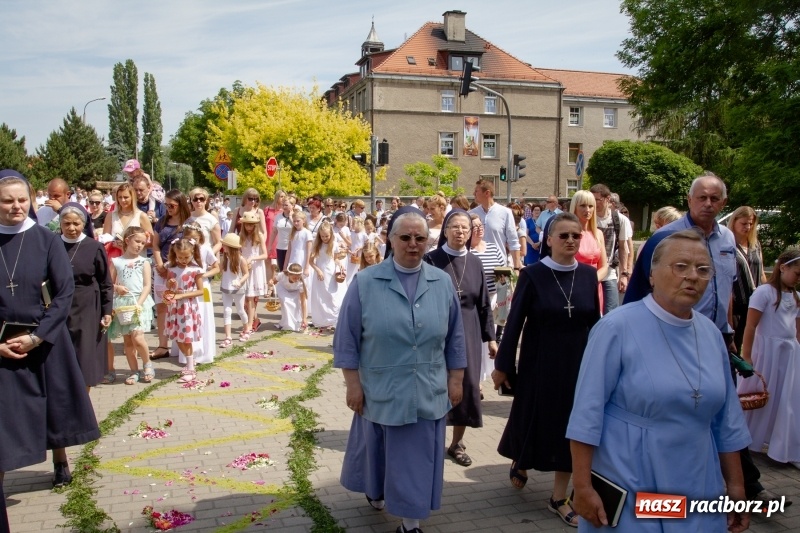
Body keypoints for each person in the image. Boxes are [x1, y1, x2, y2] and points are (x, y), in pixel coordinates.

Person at [567, 230, 751, 532]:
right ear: (652, 275)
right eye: (681, 266)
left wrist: (736, 486)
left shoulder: (710, 334)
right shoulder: (616, 327)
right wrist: (582, 485)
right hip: (633, 471)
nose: (693, 276)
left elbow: (727, 420)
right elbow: (587, 413)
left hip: (697, 475)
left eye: (703, 269)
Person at [625, 172, 785, 505]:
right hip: (670, 340)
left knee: (725, 410)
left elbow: (725, 289)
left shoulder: (727, 239)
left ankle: (745, 486)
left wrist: (728, 333)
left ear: (724, 203)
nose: (708, 204)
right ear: (689, 200)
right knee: (679, 408)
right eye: (702, 198)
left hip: (715, 341)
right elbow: (639, 290)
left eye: (715, 199)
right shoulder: (665, 238)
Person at [334, 206, 466, 533]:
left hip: (427, 389)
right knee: (378, 451)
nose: (413, 244)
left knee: (415, 460)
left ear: (428, 241)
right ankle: (376, 490)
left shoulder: (441, 282)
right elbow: (346, 339)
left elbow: (455, 336)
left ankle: (410, 522)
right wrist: (353, 385)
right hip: (381, 388)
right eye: (405, 237)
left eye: (420, 238)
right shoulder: (365, 282)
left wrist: (456, 379)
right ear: (390, 239)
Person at [492, 212, 600, 528]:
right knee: (532, 417)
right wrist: (503, 366)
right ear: (549, 240)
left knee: (570, 427)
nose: (570, 240)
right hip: (539, 362)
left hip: (578, 364)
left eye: (576, 235)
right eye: (563, 235)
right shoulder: (533, 275)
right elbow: (514, 322)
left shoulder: (588, 275)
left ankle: (558, 497)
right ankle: (521, 459)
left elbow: (595, 323)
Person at [0, 170, 100, 494]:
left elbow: (64, 291)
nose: (16, 206)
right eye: (7, 201)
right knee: (5, 414)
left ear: (30, 201)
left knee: (56, 403)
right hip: (4, 344)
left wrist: (38, 335)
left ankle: (60, 459)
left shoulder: (47, 240)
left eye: (21, 199)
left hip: (45, 338)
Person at [424, 210, 496, 468]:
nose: (460, 231)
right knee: (435, 385)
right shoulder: (431, 260)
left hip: (468, 330)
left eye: (465, 227)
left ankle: (457, 443)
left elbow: (484, 304)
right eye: (455, 226)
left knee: (466, 386)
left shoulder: (475, 262)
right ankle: (430, 441)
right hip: (437, 330)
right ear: (445, 230)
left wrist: (491, 339)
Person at [738, 249, 800, 466]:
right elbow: (750, 326)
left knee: (787, 399)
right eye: (797, 273)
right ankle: (747, 439)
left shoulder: (796, 297)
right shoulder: (764, 293)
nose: (798, 279)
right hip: (767, 353)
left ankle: (783, 446)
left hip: (789, 355)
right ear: (783, 267)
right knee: (760, 396)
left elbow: (797, 330)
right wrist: (747, 356)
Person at [59, 203, 113, 388]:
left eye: (76, 223)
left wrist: (107, 311)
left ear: (84, 224)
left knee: (84, 355)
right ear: (60, 224)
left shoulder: (94, 247)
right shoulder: (53, 244)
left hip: (87, 304)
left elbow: (105, 282)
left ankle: (83, 396)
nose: (71, 228)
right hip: (60, 303)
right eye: (67, 223)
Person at [108, 227, 156, 385]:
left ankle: (147, 364)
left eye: (143, 243)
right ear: (127, 240)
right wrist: (117, 288)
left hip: (139, 302)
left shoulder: (144, 262)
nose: (140, 245)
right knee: (128, 341)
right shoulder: (117, 262)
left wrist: (139, 304)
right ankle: (134, 371)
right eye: (137, 241)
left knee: (138, 337)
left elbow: (147, 285)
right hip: (123, 304)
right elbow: (109, 283)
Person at [150, 190, 191, 360]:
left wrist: (174, 269)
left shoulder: (188, 224)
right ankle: (162, 345)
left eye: (172, 205)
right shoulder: (162, 222)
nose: (168, 208)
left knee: (178, 307)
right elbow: (155, 245)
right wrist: (160, 264)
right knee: (162, 306)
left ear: (181, 204)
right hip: (162, 270)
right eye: (166, 205)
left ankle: (182, 345)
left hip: (179, 271)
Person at [163, 238, 205, 382]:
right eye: (180, 257)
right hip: (175, 307)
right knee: (177, 337)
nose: (183, 260)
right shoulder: (171, 268)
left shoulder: (195, 270)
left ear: (192, 253)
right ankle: (190, 363)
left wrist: (182, 295)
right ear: (175, 254)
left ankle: (191, 368)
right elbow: (168, 286)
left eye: (186, 257)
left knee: (186, 338)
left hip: (187, 307)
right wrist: (170, 283)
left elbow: (201, 291)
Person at [178, 224, 219, 365]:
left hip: (203, 287)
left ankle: (204, 351)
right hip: (187, 286)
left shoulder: (205, 249)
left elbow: (216, 267)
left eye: (195, 238)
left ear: (200, 237)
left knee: (203, 314)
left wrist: (202, 275)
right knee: (188, 316)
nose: (192, 241)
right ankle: (190, 353)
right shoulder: (183, 250)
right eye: (189, 238)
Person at [728, 206, 767, 351]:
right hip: (736, 303)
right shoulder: (728, 244)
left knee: (755, 344)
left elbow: (761, 272)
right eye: (744, 223)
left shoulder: (755, 244)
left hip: (756, 302)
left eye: (750, 224)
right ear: (734, 222)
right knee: (735, 344)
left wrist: (769, 293)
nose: (748, 227)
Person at [590, 184, 632, 313]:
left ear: (608, 199)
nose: (594, 203)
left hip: (609, 272)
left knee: (611, 311)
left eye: (597, 200)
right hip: (590, 271)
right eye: (592, 200)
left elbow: (624, 248)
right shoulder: (588, 217)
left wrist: (624, 274)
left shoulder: (620, 220)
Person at [470, 180, 522, 270]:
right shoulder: (471, 214)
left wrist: (516, 268)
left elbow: (513, 242)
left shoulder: (505, 213)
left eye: (476, 191)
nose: (473, 194)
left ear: (487, 193)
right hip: (475, 265)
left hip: (498, 267)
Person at [570, 190, 608, 311]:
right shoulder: (568, 234)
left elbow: (604, 266)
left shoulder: (598, 234)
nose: (587, 210)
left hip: (594, 288)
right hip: (573, 287)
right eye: (582, 205)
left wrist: (592, 280)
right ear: (574, 207)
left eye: (591, 206)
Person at [309, 220, 346, 329]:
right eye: (322, 236)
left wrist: (340, 264)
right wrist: (318, 270)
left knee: (332, 295)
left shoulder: (334, 244)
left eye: (326, 236)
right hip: (321, 272)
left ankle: (333, 319)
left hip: (331, 272)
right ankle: (322, 319)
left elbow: (335, 259)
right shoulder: (317, 245)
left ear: (331, 234)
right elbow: (311, 261)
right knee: (321, 295)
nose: (324, 238)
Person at [102, 183, 154, 258]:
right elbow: (105, 239)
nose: (122, 200)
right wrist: (113, 243)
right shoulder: (110, 216)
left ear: (132, 197)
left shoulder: (141, 216)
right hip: (116, 259)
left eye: (126, 197)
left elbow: (152, 242)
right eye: (120, 197)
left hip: (136, 260)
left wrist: (131, 245)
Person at [217, 233, 250, 348]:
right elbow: (219, 269)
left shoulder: (241, 259)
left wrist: (240, 282)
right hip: (226, 288)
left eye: (225, 245)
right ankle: (228, 337)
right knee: (227, 311)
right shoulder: (225, 258)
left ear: (231, 247)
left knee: (240, 310)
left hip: (238, 289)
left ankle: (246, 330)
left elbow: (246, 274)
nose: (223, 247)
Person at [239, 212, 268, 340]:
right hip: (244, 267)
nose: (249, 227)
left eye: (251, 225)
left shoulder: (259, 236)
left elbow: (265, 255)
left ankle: (249, 325)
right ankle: (255, 320)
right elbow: (239, 251)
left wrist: (253, 258)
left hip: (255, 267)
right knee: (244, 299)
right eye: (247, 225)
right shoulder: (241, 236)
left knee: (250, 297)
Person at [272, 263, 308, 332]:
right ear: (288, 274)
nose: (296, 280)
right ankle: (287, 323)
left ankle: (297, 321)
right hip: (283, 289)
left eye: (298, 277)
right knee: (286, 302)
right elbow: (274, 281)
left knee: (296, 303)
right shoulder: (282, 275)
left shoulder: (301, 283)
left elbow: (303, 302)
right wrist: (271, 283)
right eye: (294, 278)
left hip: (295, 290)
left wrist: (304, 318)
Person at [187, 187, 222, 255]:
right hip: (188, 257)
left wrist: (209, 255)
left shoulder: (211, 219)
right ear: (191, 201)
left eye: (201, 199)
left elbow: (218, 242)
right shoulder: (187, 217)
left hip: (205, 257)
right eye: (195, 199)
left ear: (206, 201)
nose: (198, 201)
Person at [267, 197, 293, 273]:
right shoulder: (278, 216)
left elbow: (298, 228)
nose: (284, 207)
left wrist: (291, 217)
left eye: (286, 205)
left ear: (292, 205)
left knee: (291, 270)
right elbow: (274, 232)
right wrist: (270, 245)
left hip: (292, 247)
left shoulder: (296, 216)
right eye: (283, 205)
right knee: (282, 270)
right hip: (280, 247)